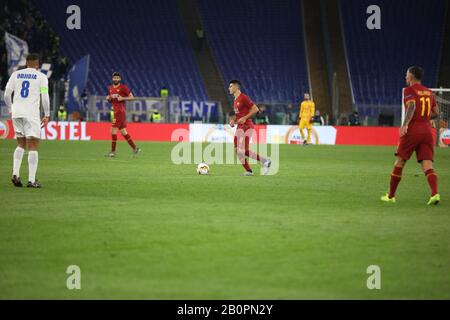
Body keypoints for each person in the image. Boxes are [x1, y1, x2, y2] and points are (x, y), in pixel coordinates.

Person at [381, 66, 440, 205]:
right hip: (427, 132)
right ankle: (435, 194)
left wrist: (405, 124)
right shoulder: (429, 92)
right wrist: (425, 117)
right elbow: (436, 112)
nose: (405, 77)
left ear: (412, 76)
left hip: (413, 130)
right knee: (427, 164)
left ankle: (390, 196)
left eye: (407, 75)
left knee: (400, 161)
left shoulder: (409, 90)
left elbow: (412, 106)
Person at [4, 53, 50, 188]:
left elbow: (7, 93)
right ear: (37, 64)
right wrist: (47, 114)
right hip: (31, 114)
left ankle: (15, 174)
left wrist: (11, 107)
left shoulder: (16, 74)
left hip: (17, 112)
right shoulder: (41, 77)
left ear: (26, 62)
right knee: (33, 145)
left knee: (20, 144)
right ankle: (31, 180)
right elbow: (45, 97)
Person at [228, 80, 271, 176]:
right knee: (237, 150)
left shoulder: (244, 97)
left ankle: (264, 162)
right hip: (240, 127)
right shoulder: (235, 100)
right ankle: (250, 170)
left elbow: (255, 109)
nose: (229, 88)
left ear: (236, 87)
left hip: (247, 126)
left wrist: (245, 118)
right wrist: (233, 121)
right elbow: (240, 115)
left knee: (243, 150)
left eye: (230, 86)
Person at [105, 72, 140, 157]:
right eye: (114, 78)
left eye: (117, 78)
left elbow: (132, 97)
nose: (116, 79)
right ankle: (135, 148)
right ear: (112, 79)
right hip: (117, 112)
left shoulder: (123, 87)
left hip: (119, 112)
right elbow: (112, 100)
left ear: (120, 79)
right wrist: (108, 99)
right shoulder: (109, 88)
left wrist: (123, 98)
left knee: (113, 131)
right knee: (124, 132)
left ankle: (113, 152)